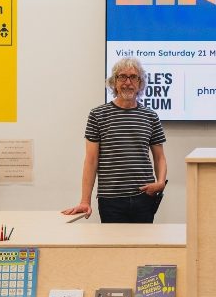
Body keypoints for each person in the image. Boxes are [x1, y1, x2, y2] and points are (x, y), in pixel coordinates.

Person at [62, 57, 167, 223]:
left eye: (133, 77)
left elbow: (160, 157)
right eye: (122, 77)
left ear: (140, 83)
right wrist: (85, 200)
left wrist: (160, 183)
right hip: (111, 201)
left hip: (144, 198)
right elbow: (91, 160)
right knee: (113, 248)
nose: (128, 82)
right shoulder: (98, 115)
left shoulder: (150, 116)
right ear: (114, 82)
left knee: (142, 248)